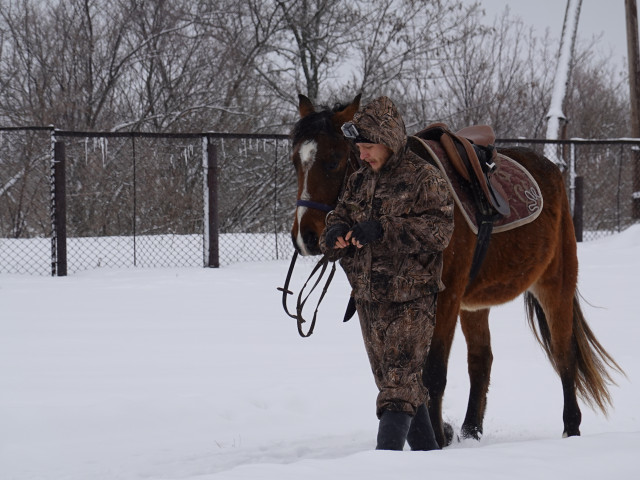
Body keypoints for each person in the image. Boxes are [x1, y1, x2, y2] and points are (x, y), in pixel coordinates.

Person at [320, 96, 454, 451]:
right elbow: (338, 217)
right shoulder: (359, 181)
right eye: (359, 149)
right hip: (368, 299)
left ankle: (383, 465)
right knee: (400, 385)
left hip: (411, 300)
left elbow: (440, 231)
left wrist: (383, 229)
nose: (362, 156)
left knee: (396, 391)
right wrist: (334, 234)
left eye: (367, 147)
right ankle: (431, 458)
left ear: (389, 140)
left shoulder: (424, 179)